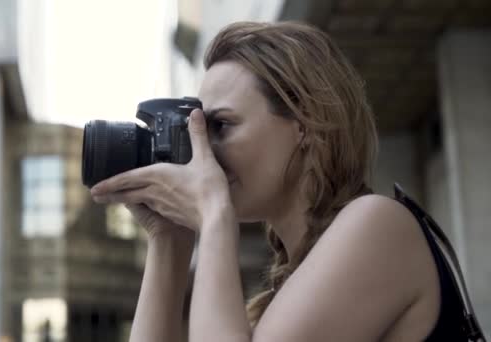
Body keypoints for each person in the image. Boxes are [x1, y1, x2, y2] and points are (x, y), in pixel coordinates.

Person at [89, 21, 480, 341]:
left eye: (220, 126)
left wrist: (212, 213)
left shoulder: (378, 223)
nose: (203, 153)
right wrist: (168, 241)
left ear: (304, 122)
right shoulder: (281, 303)